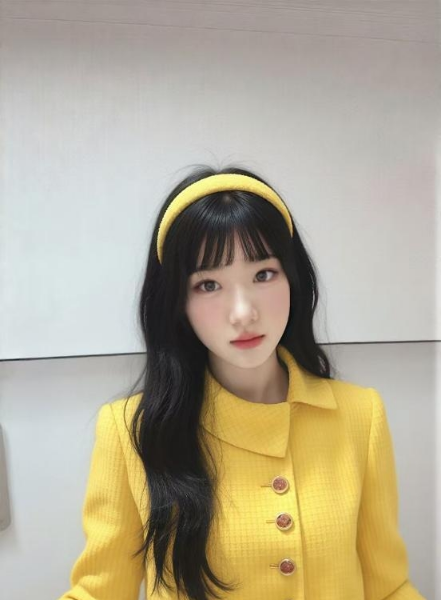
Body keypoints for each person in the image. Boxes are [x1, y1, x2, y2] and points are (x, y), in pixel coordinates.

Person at [58, 165, 426, 600]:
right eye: (208, 284)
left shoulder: (360, 416)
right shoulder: (131, 431)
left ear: (293, 279)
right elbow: (99, 592)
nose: (243, 313)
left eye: (263, 274)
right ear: (177, 302)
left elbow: (388, 588)